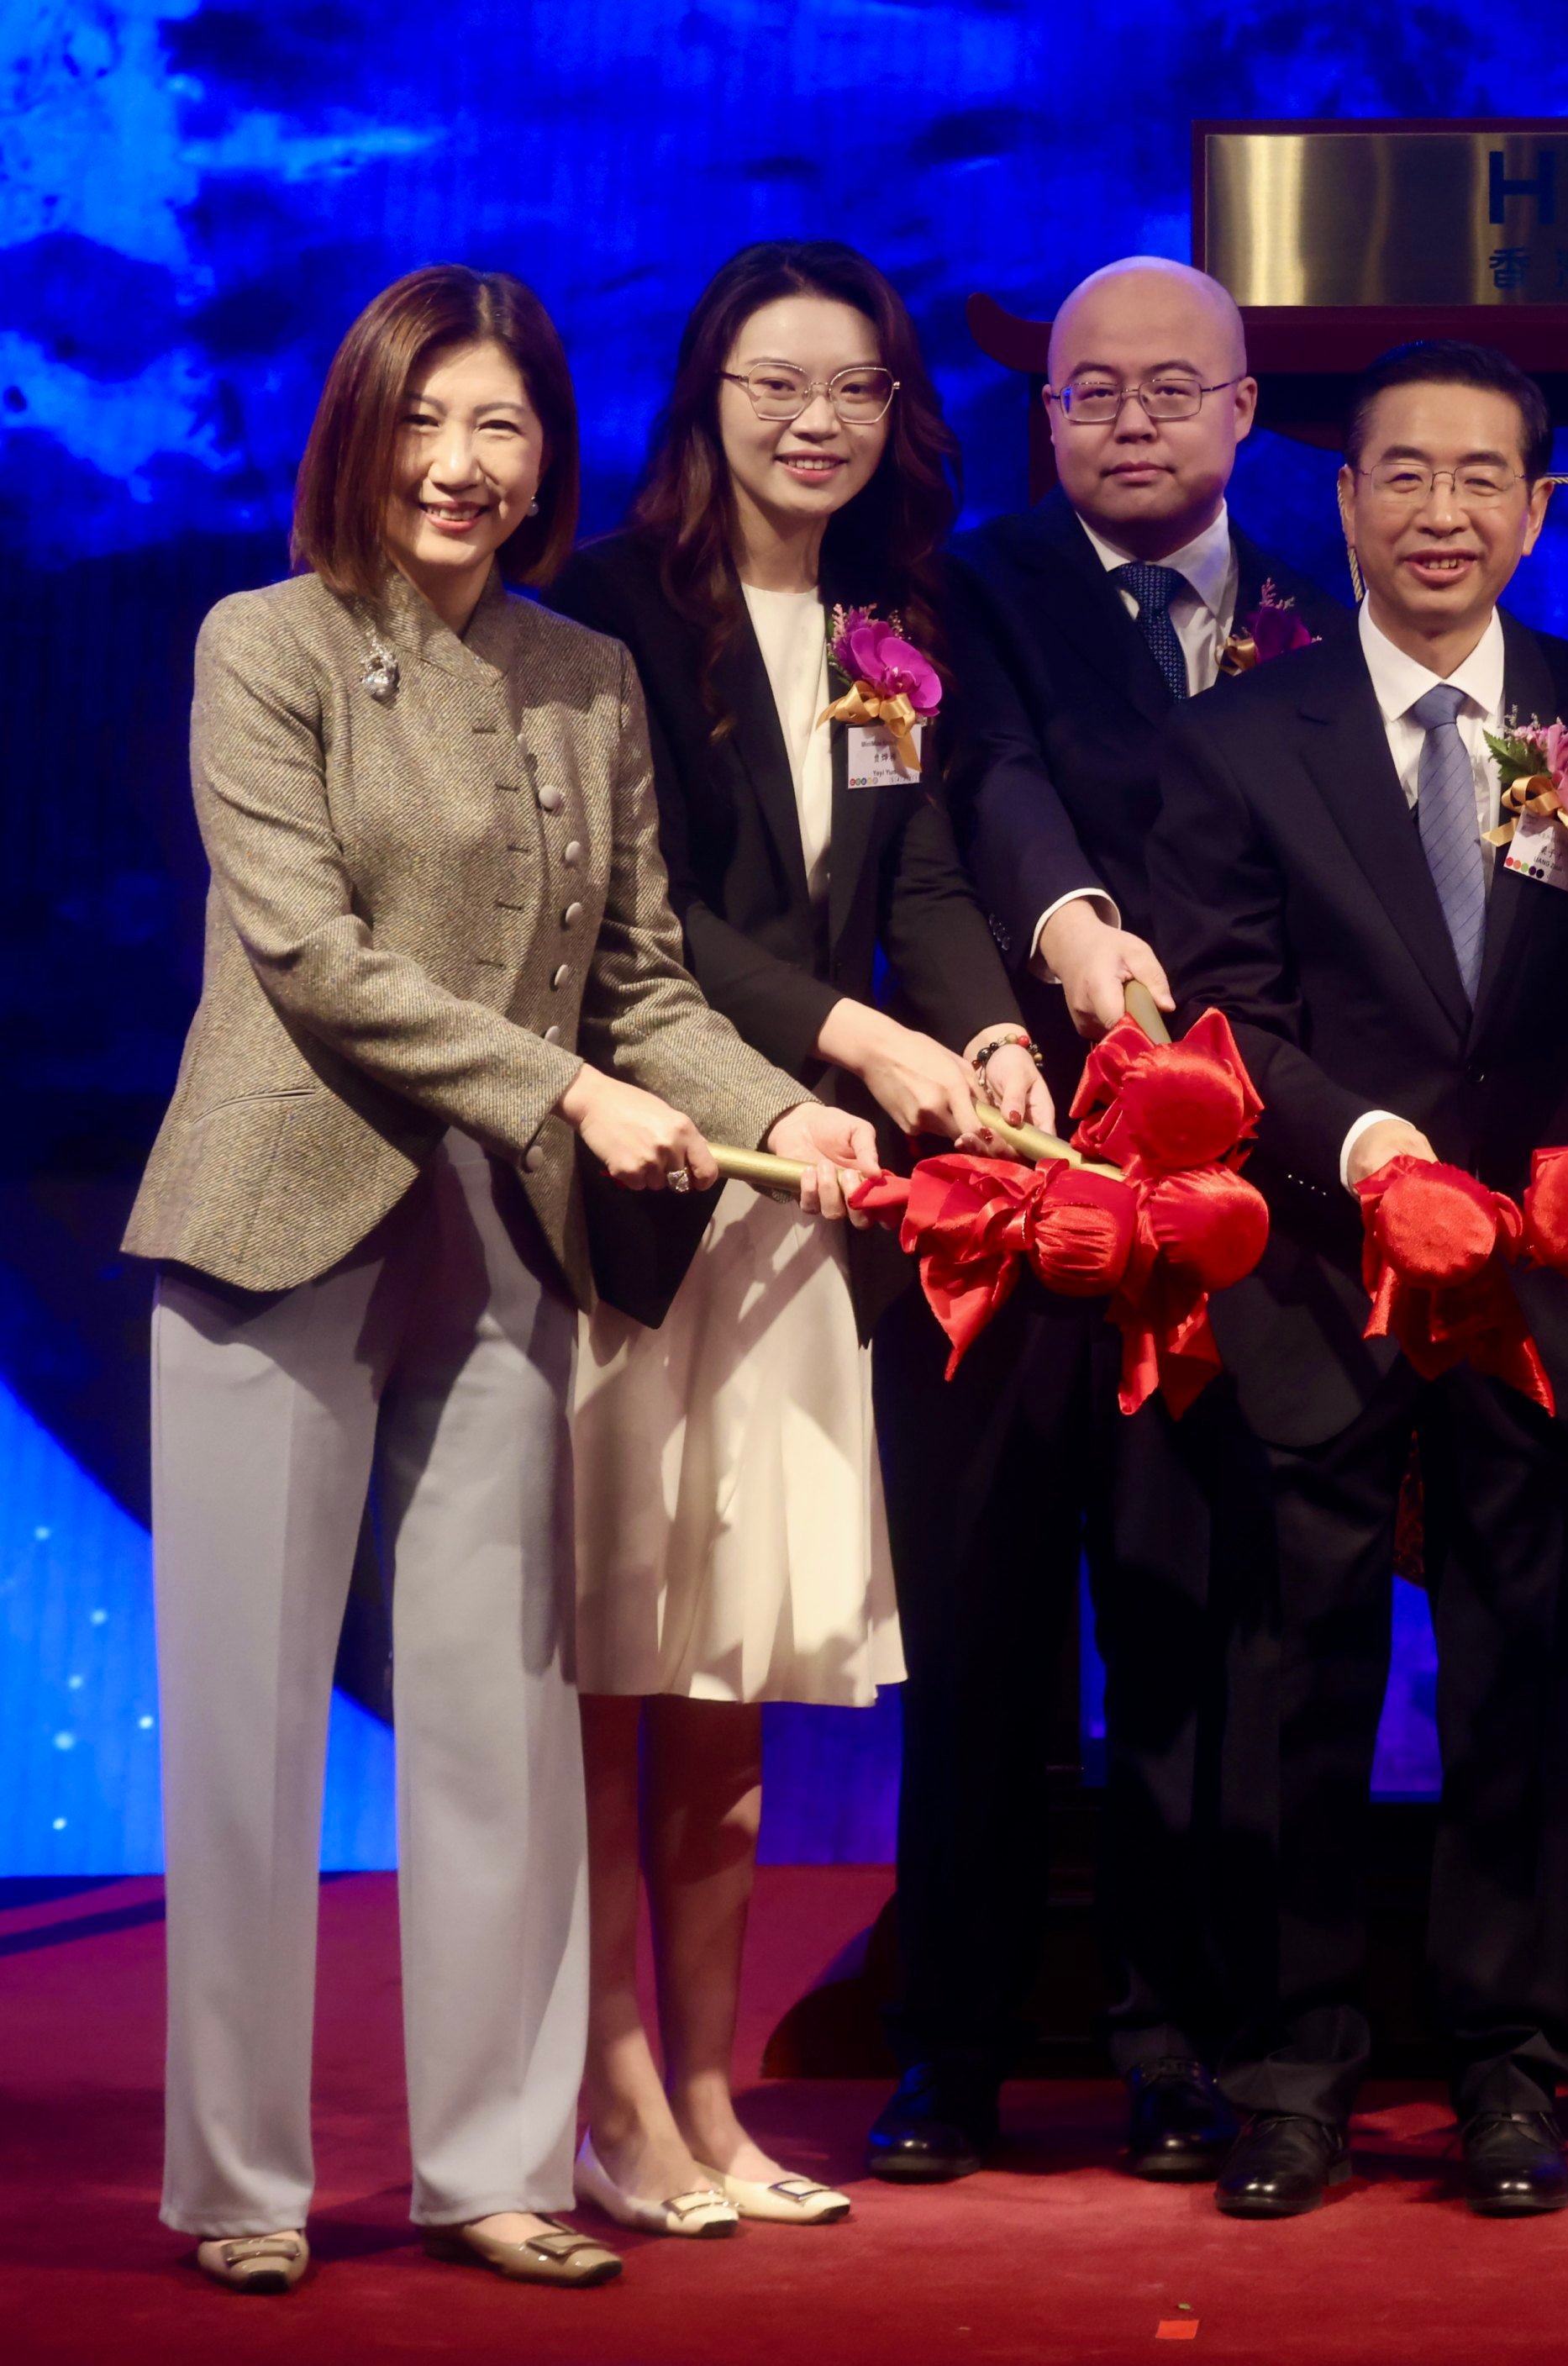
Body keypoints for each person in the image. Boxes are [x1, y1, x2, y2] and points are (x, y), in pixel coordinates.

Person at [128, 265, 877, 2296]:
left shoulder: (582, 672)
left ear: (549, 454)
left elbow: (644, 983)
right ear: (357, 436)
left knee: (504, 1732)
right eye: (425, 420)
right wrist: (567, 1092)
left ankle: (490, 2167)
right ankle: (240, 2185)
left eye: (504, 426)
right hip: (274, 1215)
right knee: (246, 1734)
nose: (463, 464)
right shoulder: (263, 642)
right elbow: (315, 961)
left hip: (506, 1239)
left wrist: (787, 1110)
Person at [543, 240, 1055, 2241]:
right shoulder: (601, 611)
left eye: (854, 386)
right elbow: (643, 919)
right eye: (776, 382)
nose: (816, 420)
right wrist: (858, 1037)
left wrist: (981, 1026)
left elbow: (914, 879)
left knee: (730, 1668)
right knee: (617, 1661)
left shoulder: (889, 620)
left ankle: (707, 2094)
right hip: (647, 1187)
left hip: (813, 1209)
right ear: (706, 393)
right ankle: (606, 2096)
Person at [874, 256, 1344, 2184]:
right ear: (1044, 412)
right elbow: (972, 798)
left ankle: (1170, 2045)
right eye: (1091, 391)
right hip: (1003, 1192)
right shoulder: (964, 589)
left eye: (1171, 388)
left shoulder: (1317, 608)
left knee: (1186, 1648)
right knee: (978, 1642)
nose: (1130, 420)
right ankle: (951, 2049)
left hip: (1223, 1224)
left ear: (1245, 411)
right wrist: (1065, 947)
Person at [1144, 340, 1568, 2221]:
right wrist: (1362, 1151)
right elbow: (1225, 1010)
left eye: (1482, 477)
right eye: (1402, 475)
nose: (1442, 512)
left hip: (1538, 1274)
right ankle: (1292, 2075)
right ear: (1340, 501)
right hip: (1317, 1271)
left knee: (1529, 1675)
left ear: (1536, 507)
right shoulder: (1239, 740)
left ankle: (1515, 2070)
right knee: (1296, 1679)